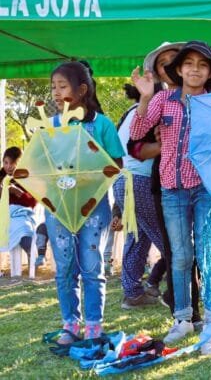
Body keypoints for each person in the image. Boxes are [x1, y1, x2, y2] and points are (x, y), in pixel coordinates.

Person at [131, 41, 211, 355]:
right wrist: (144, 98)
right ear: (179, 70)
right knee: (181, 256)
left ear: (210, 72)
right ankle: (182, 318)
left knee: (208, 253)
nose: (195, 69)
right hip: (172, 187)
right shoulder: (162, 99)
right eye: (189, 64)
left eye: (202, 64)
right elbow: (137, 132)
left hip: (208, 188)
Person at [47, 61, 126, 345]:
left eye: (62, 86)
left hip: (94, 209)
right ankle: (70, 325)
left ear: (81, 90)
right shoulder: (51, 126)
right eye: (53, 87)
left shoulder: (102, 125)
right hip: (58, 209)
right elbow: (43, 166)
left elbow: (117, 163)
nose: (56, 93)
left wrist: (89, 171)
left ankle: (93, 326)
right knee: (65, 267)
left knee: (92, 268)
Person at [111, 83, 167, 310]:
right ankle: (178, 292)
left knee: (137, 239)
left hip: (122, 181)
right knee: (169, 242)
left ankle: (132, 293)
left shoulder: (128, 114)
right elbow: (147, 150)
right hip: (141, 182)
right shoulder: (146, 116)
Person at [0, 147, 37, 262]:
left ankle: (32, 256)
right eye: (6, 163)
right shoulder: (1, 176)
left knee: (21, 226)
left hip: (21, 213)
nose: (8, 166)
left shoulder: (26, 177)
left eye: (12, 163)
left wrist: (17, 192)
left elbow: (32, 202)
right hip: (2, 214)